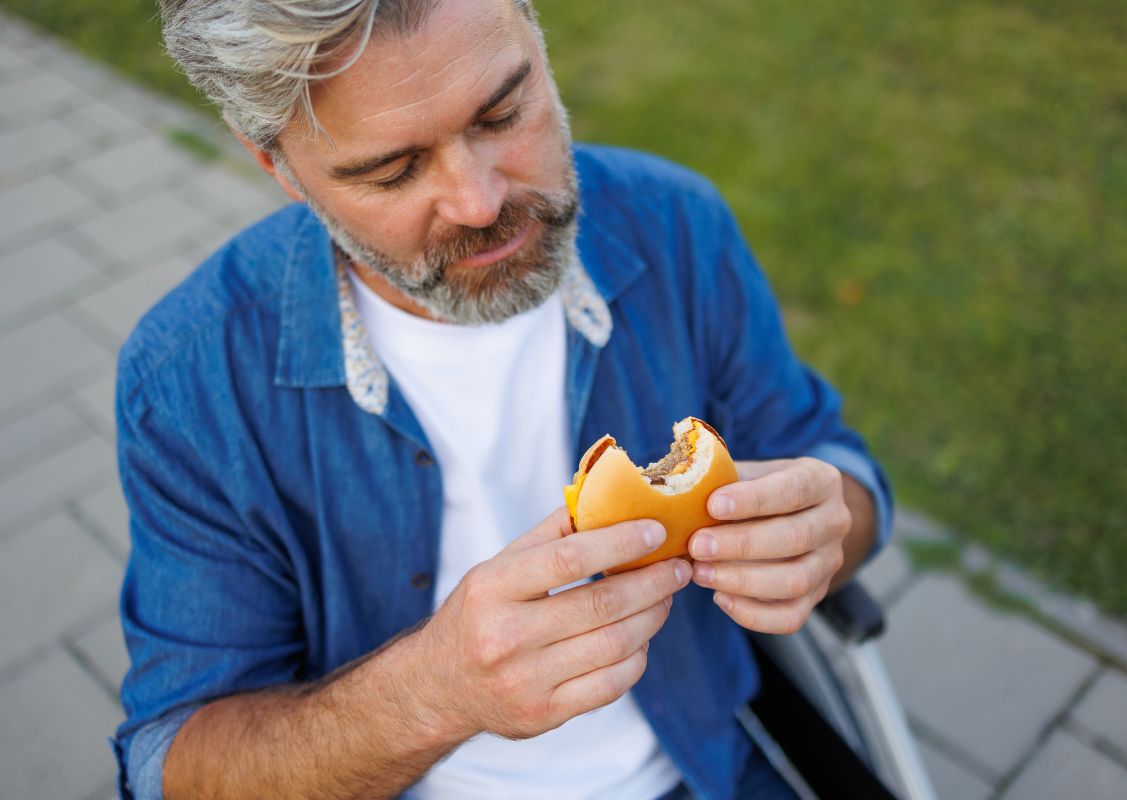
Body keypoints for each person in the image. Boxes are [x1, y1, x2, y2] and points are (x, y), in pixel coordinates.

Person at [112, 1, 894, 798]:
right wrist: (426, 695)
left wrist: (826, 526)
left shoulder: (677, 223)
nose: (480, 203)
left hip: (712, 765)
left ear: (536, 37)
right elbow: (171, 765)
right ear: (277, 165)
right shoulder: (188, 381)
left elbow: (833, 464)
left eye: (503, 112)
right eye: (394, 171)